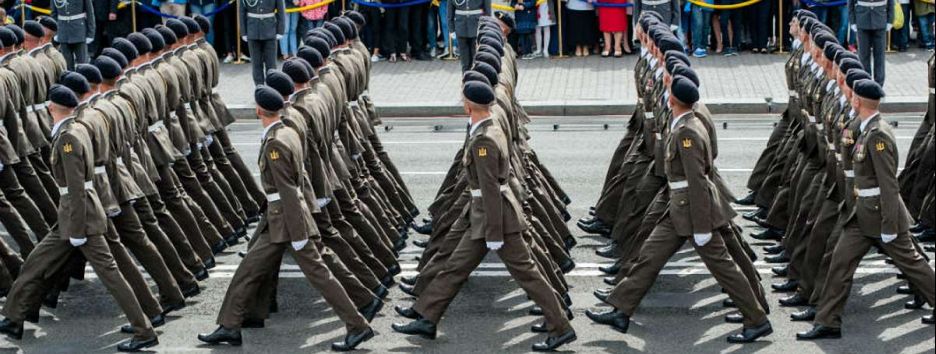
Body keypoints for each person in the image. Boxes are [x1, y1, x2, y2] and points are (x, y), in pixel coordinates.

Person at [197, 85, 377, 352]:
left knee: (320, 275)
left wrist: (300, 232)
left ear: (259, 110)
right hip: (281, 218)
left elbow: (289, 191)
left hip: (289, 222)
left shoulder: (277, 144)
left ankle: (358, 325)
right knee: (249, 269)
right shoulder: (286, 131)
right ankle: (230, 325)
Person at [0, 85, 159, 352]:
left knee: (111, 276)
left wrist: (76, 229)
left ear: (52, 108)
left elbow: (75, 187)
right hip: (71, 214)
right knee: (36, 264)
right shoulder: (76, 128)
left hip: (80, 217)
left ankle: (144, 331)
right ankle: (14, 318)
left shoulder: (68, 138)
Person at [797, 79, 936, 339]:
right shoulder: (863, 128)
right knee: (840, 263)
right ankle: (828, 321)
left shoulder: (878, 135)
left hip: (881, 215)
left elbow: (888, 184)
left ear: (858, 101)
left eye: (854, 97)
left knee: (914, 265)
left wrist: (889, 225)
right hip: (860, 216)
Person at [240, 0, 286, 85]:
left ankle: (272, 88)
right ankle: (259, 88)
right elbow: (242, 12)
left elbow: (281, 11)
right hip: (253, 30)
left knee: (271, 64)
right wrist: (243, 32)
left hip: (270, 30)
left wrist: (280, 30)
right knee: (256, 64)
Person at [849, 0, 894, 85]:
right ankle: (865, 82)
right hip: (862, 19)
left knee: (879, 56)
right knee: (863, 55)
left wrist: (890, 19)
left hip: (880, 17)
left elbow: (891, 2)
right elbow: (850, 2)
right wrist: (852, 21)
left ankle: (879, 84)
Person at [51, 0, 94, 69]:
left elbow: (90, 13)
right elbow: (54, 14)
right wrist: (55, 32)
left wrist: (90, 33)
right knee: (67, 64)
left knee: (83, 64)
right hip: (63, 31)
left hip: (79, 31)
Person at [448, 0, 491, 70]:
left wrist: (486, 27)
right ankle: (466, 78)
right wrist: (451, 29)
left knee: (476, 60)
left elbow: (488, 12)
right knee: (465, 62)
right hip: (461, 28)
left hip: (476, 28)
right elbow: (450, 13)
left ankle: (476, 79)